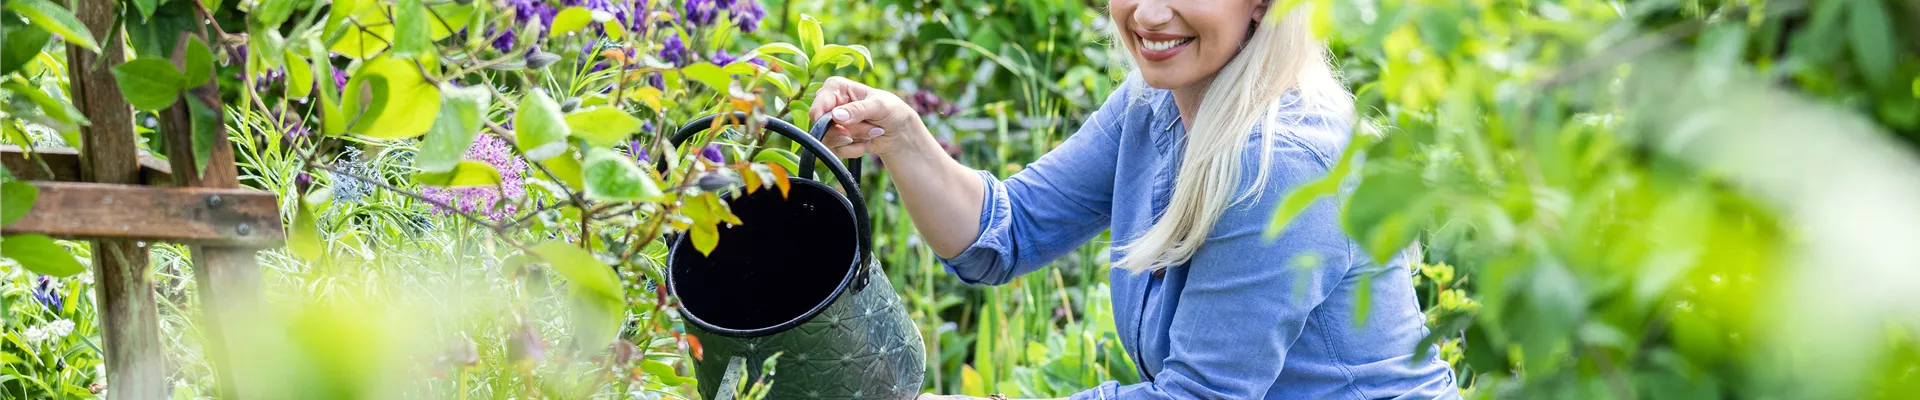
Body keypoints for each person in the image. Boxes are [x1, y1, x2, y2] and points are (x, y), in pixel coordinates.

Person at [808, 0, 1459, 398]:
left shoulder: (1283, 164)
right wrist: (902, 138)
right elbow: (1005, 233)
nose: (1147, 15)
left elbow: (1201, 399)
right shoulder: (1154, 106)